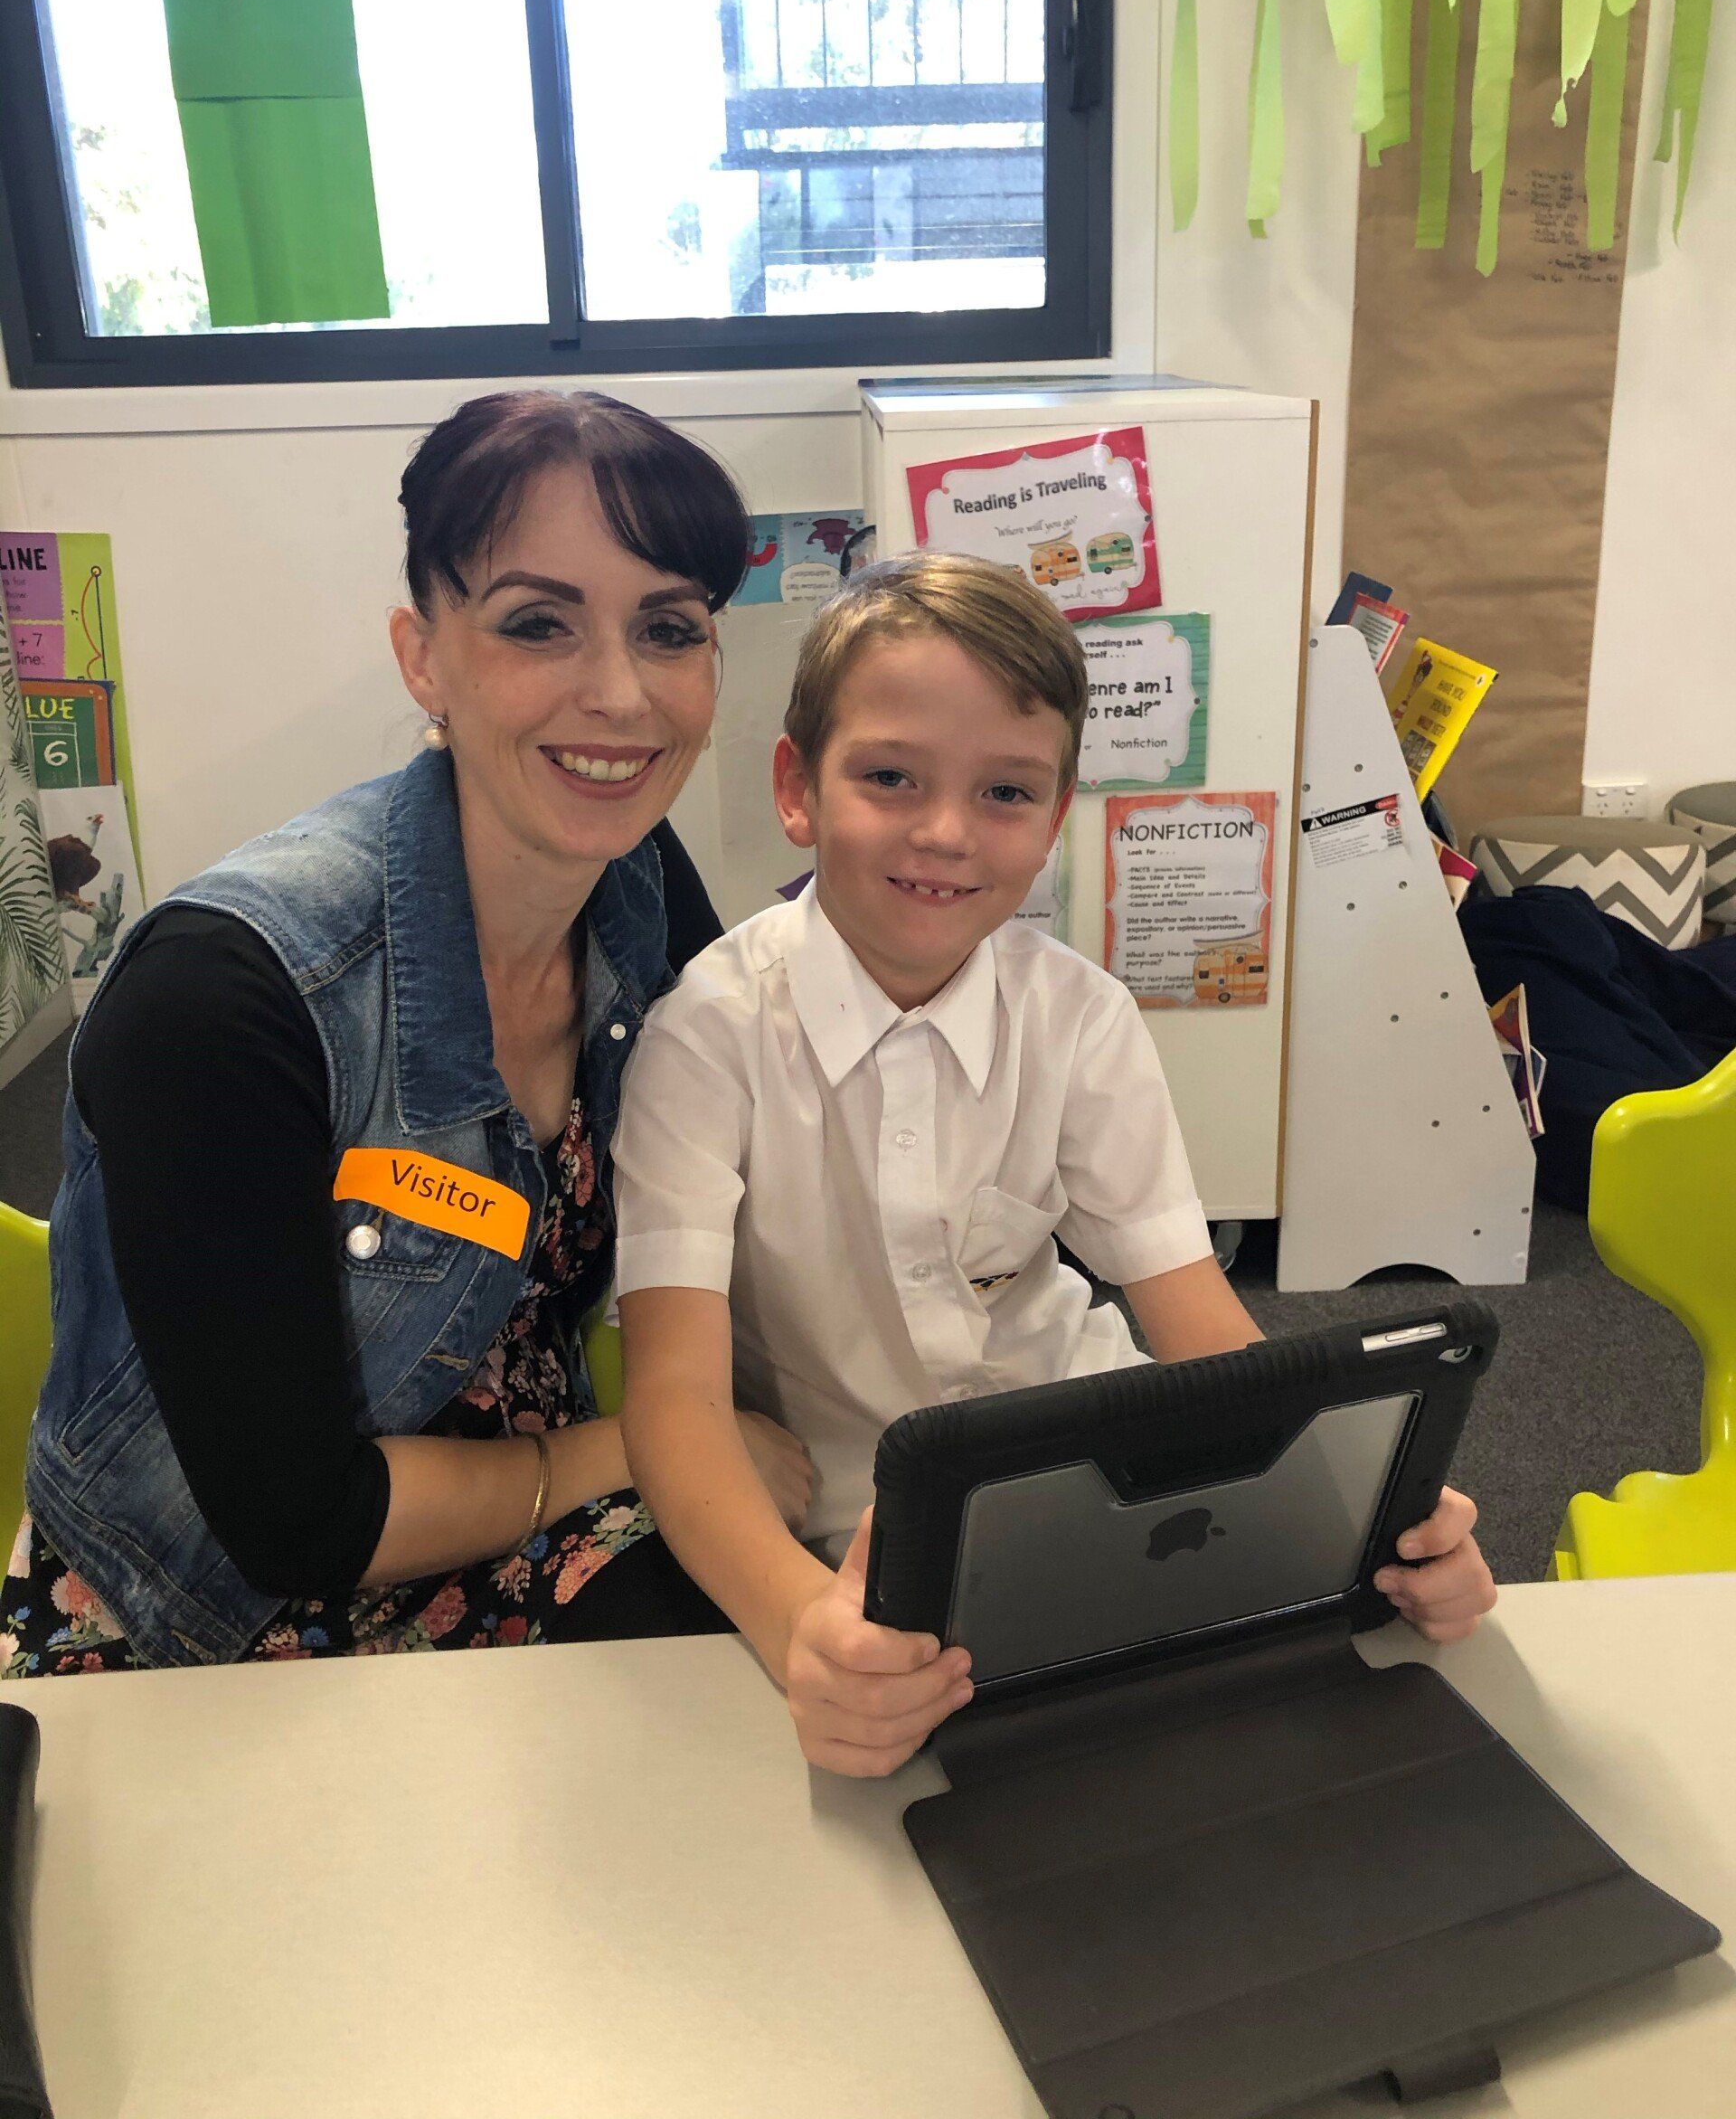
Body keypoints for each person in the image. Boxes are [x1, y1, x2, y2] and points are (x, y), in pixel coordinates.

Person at [614, 553, 1497, 1776]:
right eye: (889, 777)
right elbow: (673, 1395)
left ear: (1052, 818)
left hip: (1099, 1487)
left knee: (1306, 1753)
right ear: (796, 789)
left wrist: (1361, 1514)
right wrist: (798, 1628)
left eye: (1005, 792)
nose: (943, 832)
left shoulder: (1079, 1017)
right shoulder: (706, 1036)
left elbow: (1196, 1321)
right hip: (852, 1543)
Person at [0, 389, 812, 1675]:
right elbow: (295, 1522)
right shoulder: (220, 1001)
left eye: (669, 628)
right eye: (538, 623)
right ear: (422, 656)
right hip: (216, 1617)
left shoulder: (638, 884)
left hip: (528, 1504)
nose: (621, 694)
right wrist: (646, 1445)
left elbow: (767, 1160)